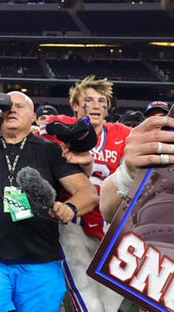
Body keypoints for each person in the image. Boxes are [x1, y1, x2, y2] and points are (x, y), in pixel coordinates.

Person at [0, 91, 98, 312]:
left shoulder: (50, 150)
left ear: (33, 116)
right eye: (6, 107)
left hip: (40, 262)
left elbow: (87, 193)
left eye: (20, 106)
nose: (12, 110)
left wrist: (71, 207)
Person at [41, 75, 130, 312]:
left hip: (110, 228)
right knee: (87, 302)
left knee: (108, 306)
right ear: (76, 106)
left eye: (102, 100)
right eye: (88, 100)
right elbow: (40, 128)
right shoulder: (60, 127)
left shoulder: (123, 134)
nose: (96, 105)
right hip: (74, 223)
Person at [99, 113, 174, 222]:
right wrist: (130, 175)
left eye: (162, 119)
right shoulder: (136, 158)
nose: (157, 127)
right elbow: (108, 213)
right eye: (150, 120)